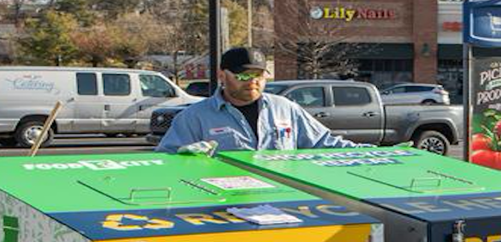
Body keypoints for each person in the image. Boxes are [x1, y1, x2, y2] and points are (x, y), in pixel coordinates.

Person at [156, 47, 365, 155]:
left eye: (258, 75)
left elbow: (325, 144)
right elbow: (167, 160)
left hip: (283, 202)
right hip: (224, 208)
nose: (252, 81)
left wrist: (381, 153)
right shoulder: (194, 117)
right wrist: (184, 158)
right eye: (243, 76)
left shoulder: (285, 109)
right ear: (222, 75)